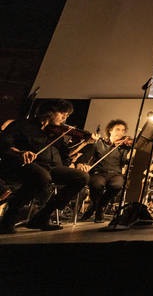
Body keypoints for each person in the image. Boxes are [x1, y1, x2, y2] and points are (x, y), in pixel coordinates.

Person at [0, 99, 89, 234]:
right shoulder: (21, 125)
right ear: (49, 112)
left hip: (51, 167)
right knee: (41, 176)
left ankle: (42, 216)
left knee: (81, 177)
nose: (65, 118)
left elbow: (66, 154)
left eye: (67, 115)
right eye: (62, 113)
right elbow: (4, 144)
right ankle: (9, 217)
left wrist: (83, 144)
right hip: (23, 164)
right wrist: (19, 152)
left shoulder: (56, 132)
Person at [81, 119, 131, 223]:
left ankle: (98, 206)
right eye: (118, 129)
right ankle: (99, 208)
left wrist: (130, 152)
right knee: (97, 184)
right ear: (110, 130)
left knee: (117, 185)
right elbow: (88, 155)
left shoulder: (124, 147)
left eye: (123, 130)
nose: (121, 133)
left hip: (115, 174)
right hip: (99, 173)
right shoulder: (99, 143)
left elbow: (125, 162)